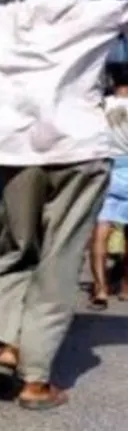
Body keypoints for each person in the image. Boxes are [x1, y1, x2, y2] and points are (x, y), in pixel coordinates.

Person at [0, 0, 124, 410]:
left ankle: (5, 346)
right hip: (79, 146)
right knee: (59, 259)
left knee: (16, 249)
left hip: (13, 146)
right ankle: (35, 381)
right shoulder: (103, 7)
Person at [87, 62, 128, 309]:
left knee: (100, 231)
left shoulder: (100, 106)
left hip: (107, 169)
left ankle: (101, 289)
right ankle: (125, 287)